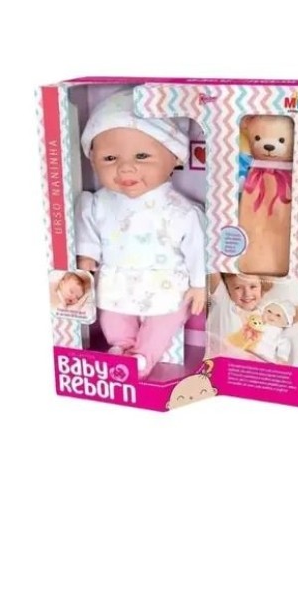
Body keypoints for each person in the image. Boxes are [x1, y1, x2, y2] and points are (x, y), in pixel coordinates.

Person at [75, 88, 206, 378]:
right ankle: (120, 346)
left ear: (174, 157)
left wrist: (199, 284)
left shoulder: (180, 210)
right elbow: (87, 226)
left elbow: (197, 246)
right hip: (117, 277)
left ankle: (143, 356)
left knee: (166, 317)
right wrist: (87, 255)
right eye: (110, 158)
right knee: (112, 314)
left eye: (142, 155)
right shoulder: (98, 203)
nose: (125, 168)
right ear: (93, 161)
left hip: (165, 280)